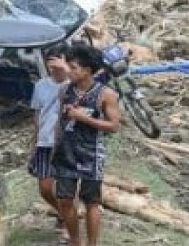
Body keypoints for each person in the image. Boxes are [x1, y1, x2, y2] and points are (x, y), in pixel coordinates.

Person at [52, 46, 121, 246]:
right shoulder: (65, 90)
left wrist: (84, 118)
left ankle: (92, 243)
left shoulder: (106, 94)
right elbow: (60, 121)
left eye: (74, 68)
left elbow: (114, 126)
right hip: (66, 152)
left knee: (91, 201)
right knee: (65, 199)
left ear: (88, 70)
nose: (69, 71)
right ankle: (75, 241)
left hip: (91, 153)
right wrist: (54, 147)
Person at [28, 46, 70, 243]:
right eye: (50, 63)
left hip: (66, 144)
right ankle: (64, 213)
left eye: (57, 62)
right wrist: (33, 145)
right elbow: (37, 115)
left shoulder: (74, 85)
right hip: (44, 143)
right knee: (45, 188)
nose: (54, 67)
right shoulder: (40, 86)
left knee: (65, 187)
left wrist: (67, 70)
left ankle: (67, 228)